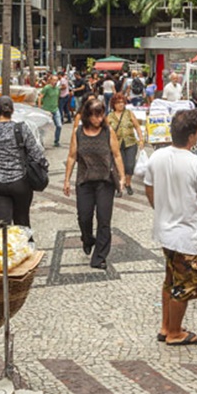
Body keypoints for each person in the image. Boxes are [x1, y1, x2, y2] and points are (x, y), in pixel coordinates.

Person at [144, 109, 197, 346]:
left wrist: (159, 208)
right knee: (184, 285)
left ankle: (166, 326)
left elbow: (149, 188)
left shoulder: (156, 157)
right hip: (186, 235)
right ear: (192, 135)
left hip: (164, 230)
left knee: (170, 279)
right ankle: (175, 332)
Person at [64, 99, 124, 269]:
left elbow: (117, 154)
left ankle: (99, 257)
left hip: (105, 181)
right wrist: (67, 180)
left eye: (101, 115)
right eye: (95, 116)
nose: (99, 119)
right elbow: (72, 156)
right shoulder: (78, 132)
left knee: (104, 220)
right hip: (85, 181)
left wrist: (121, 177)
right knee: (84, 217)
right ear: (87, 116)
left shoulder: (107, 131)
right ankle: (88, 238)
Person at [0, 96, 47, 228]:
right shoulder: (21, 129)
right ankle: (26, 247)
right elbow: (36, 154)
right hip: (20, 183)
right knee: (22, 223)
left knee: (2, 227)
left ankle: (5, 248)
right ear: (12, 111)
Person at [106, 94, 144, 195]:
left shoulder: (129, 113)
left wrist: (141, 139)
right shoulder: (110, 116)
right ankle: (120, 186)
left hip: (130, 142)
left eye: (122, 102)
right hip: (117, 145)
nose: (121, 104)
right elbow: (106, 131)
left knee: (130, 165)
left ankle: (128, 183)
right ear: (113, 104)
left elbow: (137, 127)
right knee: (120, 166)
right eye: (118, 103)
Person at [37, 75, 62, 147]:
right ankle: (41, 141)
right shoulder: (47, 88)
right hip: (47, 110)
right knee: (43, 128)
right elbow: (40, 97)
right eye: (54, 80)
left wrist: (57, 105)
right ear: (50, 80)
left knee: (59, 125)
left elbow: (57, 97)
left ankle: (56, 141)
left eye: (56, 80)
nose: (55, 82)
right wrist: (40, 108)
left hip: (55, 109)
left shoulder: (57, 88)